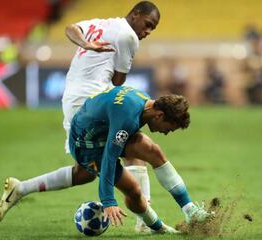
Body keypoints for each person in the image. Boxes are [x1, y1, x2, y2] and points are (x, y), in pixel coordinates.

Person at [0, 86, 214, 232]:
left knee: (151, 151)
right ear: (159, 115)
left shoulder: (142, 102)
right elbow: (110, 157)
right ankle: (156, 227)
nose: (167, 132)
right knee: (133, 191)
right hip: (88, 145)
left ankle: (190, 211)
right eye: (170, 128)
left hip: (100, 131)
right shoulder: (127, 119)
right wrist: (108, 200)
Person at [62, 1, 159, 232]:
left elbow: (70, 28)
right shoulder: (128, 36)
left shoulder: (101, 24)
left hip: (71, 100)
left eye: (152, 29)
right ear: (136, 14)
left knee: (85, 171)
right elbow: (118, 81)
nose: (146, 32)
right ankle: (145, 220)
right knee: (138, 147)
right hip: (94, 101)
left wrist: (86, 44)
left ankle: (22, 189)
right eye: (147, 25)